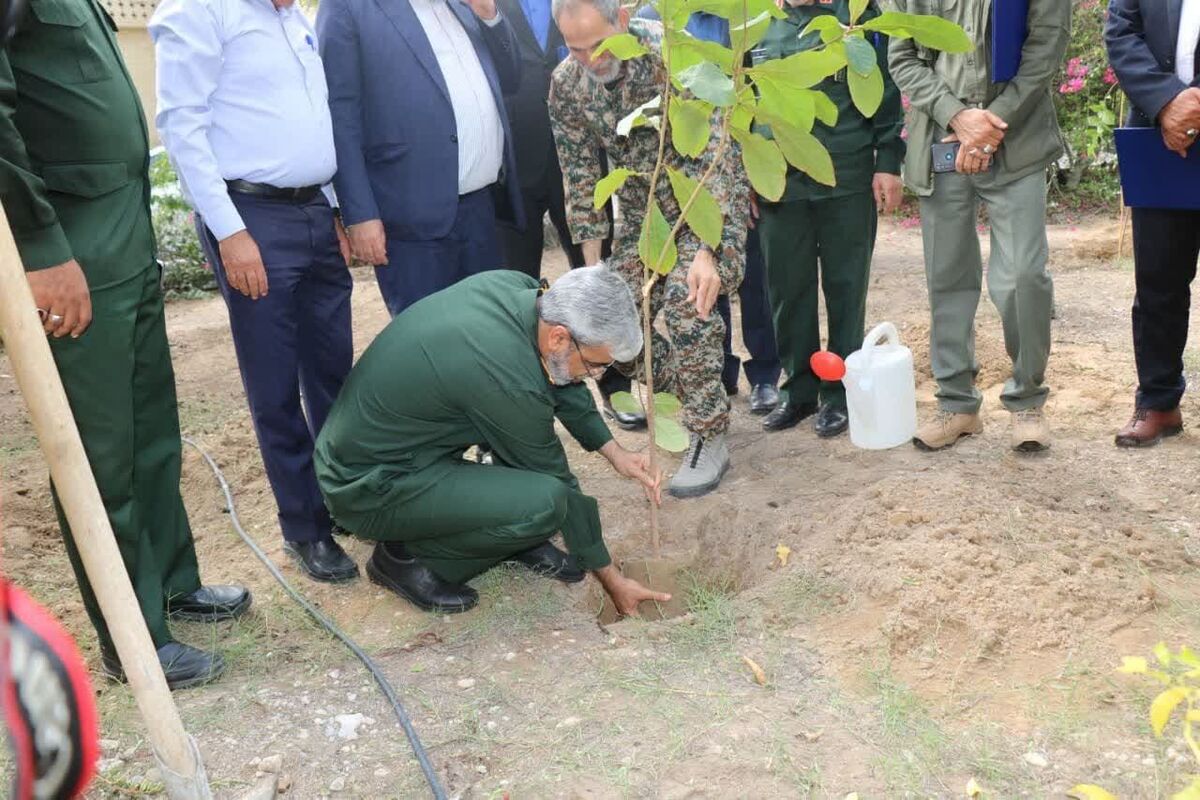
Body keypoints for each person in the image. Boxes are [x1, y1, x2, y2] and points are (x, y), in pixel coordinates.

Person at [0, 0, 250, 689]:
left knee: (150, 433)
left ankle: (171, 585)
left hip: (124, 225)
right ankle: (131, 634)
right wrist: (43, 249)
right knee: (102, 452)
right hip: (71, 240)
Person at [314, 267, 670, 615]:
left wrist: (614, 451)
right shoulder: (504, 375)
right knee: (547, 504)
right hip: (368, 484)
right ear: (559, 337)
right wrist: (612, 579)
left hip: (403, 450)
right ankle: (406, 560)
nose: (595, 376)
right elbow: (560, 484)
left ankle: (513, 536)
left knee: (533, 493)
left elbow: (562, 381)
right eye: (595, 365)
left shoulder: (526, 294)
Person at [150, 0, 360, 585]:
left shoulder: (292, 18)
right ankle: (305, 526)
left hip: (315, 210)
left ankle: (340, 498)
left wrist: (338, 211)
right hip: (250, 217)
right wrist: (230, 231)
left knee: (332, 372)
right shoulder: (197, 12)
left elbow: (314, 118)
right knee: (274, 383)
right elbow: (182, 125)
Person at [549, 0, 751, 498]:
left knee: (689, 305)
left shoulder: (670, 55)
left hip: (706, 204)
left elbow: (716, 154)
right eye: (575, 50)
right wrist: (593, 273)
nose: (589, 60)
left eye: (598, 45)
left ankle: (709, 434)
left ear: (621, 18)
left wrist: (707, 247)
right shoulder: (567, 85)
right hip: (644, 220)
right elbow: (580, 179)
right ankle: (697, 393)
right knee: (612, 322)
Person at [889, 0, 1070, 452]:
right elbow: (902, 56)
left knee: (1024, 277)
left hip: (1017, 139)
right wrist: (957, 115)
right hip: (942, 137)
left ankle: (1028, 401)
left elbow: (1044, 50)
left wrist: (989, 126)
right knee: (947, 276)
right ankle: (957, 406)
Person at [753, 0, 904, 438]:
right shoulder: (757, 21)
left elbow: (886, 91)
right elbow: (741, 104)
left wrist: (888, 161)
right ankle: (798, 392)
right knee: (787, 291)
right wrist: (746, 175)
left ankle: (838, 395)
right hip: (779, 184)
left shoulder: (861, 15)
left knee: (845, 287)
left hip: (847, 176)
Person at [317, 0, 525, 316]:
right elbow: (339, 116)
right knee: (431, 338)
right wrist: (359, 214)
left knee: (488, 332)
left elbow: (511, 78)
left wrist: (488, 14)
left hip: (483, 210)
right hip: (410, 220)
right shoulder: (347, 7)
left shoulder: (466, 5)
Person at [631, 6, 783, 418]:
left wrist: (748, 178)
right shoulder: (650, 20)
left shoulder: (741, 14)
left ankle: (766, 375)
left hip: (733, 169)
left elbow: (755, 102)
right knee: (702, 289)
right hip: (683, 174)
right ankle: (720, 372)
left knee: (751, 276)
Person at [1106, 0, 1200, 447]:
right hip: (1157, 137)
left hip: (1182, 121)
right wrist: (1166, 104)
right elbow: (1122, 33)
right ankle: (1160, 403)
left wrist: (1193, 106)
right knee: (1158, 280)